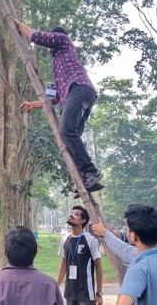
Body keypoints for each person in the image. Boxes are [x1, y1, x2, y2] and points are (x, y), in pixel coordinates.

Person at [13, 19, 103, 193]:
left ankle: (91, 171)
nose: (48, 48)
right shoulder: (60, 66)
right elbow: (56, 97)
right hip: (79, 92)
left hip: (79, 88)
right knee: (70, 137)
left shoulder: (63, 41)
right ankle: (87, 177)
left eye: (50, 43)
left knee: (66, 131)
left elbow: (37, 36)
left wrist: (17, 24)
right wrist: (33, 104)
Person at [57, 205, 109, 305]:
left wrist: (99, 293)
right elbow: (63, 264)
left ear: (83, 220)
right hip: (70, 294)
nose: (71, 216)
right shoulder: (65, 239)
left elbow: (99, 267)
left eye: (76, 214)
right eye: (71, 213)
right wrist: (55, 286)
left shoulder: (90, 240)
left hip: (86, 294)